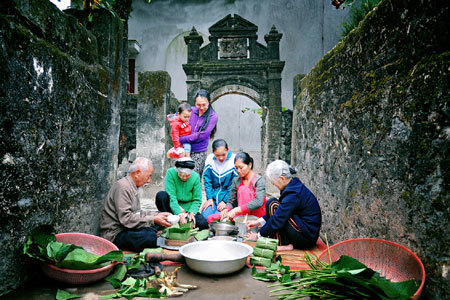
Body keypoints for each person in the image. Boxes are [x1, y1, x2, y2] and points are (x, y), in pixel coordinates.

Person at [246, 160, 322, 250]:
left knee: (273, 205)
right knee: (272, 204)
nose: (274, 185)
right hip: (303, 230)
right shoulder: (292, 185)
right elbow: (280, 211)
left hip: (306, 238)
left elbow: (278, 218)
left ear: (282, 178)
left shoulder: (293, 193)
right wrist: (258, 222)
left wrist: (258, 235)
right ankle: (286, 242)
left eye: (273, 182)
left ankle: (282, 243)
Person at [100, 157, 172, 252]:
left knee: (158, 219)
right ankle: (152, 234)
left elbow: (137, 213)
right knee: (149, 237)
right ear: (137, 173)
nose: (149, 180)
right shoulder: (123, 187)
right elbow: (126, 219)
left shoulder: (133, 186)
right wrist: (153, 219)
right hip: (116, 233)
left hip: (127, 227)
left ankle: (153, 231)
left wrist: (156, 215)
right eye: (148, 176)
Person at [155, 157, 208, 229]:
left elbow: (197, 199)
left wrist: (192, 213)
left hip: (187, 210)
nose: (184, 177)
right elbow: (171, 196)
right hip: (172, 207)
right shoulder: (170, 173)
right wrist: (179, 213)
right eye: (181, 175)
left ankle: (177, 222)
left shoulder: (195, 177)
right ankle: (167, 219)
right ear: (177, 171)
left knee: (203, 224)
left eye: (187, 175)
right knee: (161, 195)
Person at [216, 152, 266, 222]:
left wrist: (237, 210)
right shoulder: (236, 180)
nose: (238, 171)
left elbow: (258, 202)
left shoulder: (259, 180)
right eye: (236, 168)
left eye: (241, 167)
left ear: (250, 165)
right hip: (241, 215)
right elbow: (231, 201)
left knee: (243, 190)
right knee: (211, 218)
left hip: (256, 217)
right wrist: (226, 209)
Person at [179, 89, 218, 178]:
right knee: (182, 176)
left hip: (199, 152)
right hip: (184, 149)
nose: (201, 107)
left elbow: (202, 135)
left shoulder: (213, 116)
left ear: (209, 102)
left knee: (193, 178)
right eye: (198, 105)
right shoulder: (191, 110)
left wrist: (182, 139)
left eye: (204, 105)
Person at [200, 139, 238, 222]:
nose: (221, 158)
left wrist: (225, 201)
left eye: (223, 154)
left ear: (228, 150)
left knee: (220, 218)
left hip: (227, 199)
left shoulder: (234, 160)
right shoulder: (210, 159)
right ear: (213, 153)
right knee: (205, 218)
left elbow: (233, 185)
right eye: (217, 155)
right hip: (213, 198)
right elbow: (207, 181)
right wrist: (209, 198)